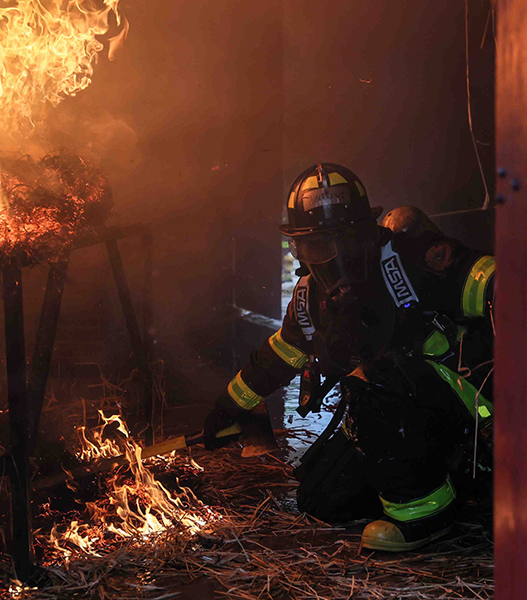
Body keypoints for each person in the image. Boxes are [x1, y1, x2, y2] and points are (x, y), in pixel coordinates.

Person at [203, 163, 495, 552]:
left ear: (370, 233)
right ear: (300, 251)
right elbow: (280, 355)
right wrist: (229, 407)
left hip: (470, 407)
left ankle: (424, 515)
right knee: (323, 498)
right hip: (409, 421)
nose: (336, 258)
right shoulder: (309, 301)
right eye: (318, 247)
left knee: (373, 379)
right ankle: (444, 481)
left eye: (349, 240)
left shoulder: (413, 260)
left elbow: (498, 283)